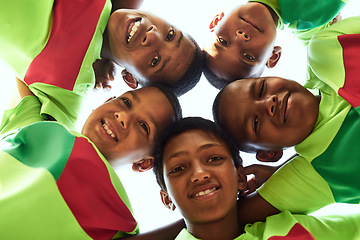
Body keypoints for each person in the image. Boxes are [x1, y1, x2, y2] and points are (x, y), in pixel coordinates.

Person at [212, 16, 360, 226]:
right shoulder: (315, 174)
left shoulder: (326, 48)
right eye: (255, 123)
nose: (268, 103)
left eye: (261, 89)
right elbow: (222, 224)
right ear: (269, 154)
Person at [0, 77, 182, 239]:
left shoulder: (121, 220)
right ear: (107, 100)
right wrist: (96, 56)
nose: (123, 116)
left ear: (144, 163)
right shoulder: (39, 128)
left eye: (143, 126)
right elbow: (22, 72)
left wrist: (189, 223)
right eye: (125, 102)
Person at [0, 0, 202, 129]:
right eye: (170, 34)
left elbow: (29, 147)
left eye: (155, 61)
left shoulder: (69, 90)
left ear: (129, 78)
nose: (153, 35)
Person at [152, 116, 360, 240]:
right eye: (178, 168)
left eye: (214, 158)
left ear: (241, 178)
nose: (199, 174)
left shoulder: (290, 229)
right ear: (166, 198)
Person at [202, 0, 345, 89]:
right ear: (273, 56)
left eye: (223, 41)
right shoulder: (314, 14)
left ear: (216, 21)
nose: (241, 38)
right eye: (247, 56)